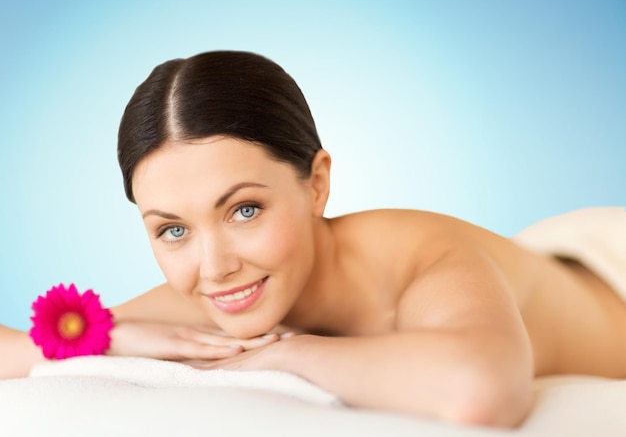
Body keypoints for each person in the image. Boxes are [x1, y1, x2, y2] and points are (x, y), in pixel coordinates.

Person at [2, 50, 625, 429]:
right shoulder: (212, 291)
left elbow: (478, 392)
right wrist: (112, 336)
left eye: (244, 210)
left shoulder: (421, 260)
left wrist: (289, 354)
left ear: (317, 183)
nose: (214, 265)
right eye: (172, 229)